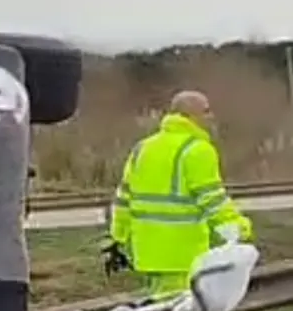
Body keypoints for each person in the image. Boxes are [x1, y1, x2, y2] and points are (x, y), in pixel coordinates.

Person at [106, 90, 253, 297]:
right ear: (191, 115)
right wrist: (238, 226)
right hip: (181, 253)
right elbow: (212, 198)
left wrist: (118, 237)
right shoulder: (198, 150)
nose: (211, 117)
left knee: (158, 307)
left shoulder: (143, 148)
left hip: (146, 251)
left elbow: (123, 198)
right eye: (206, 111)